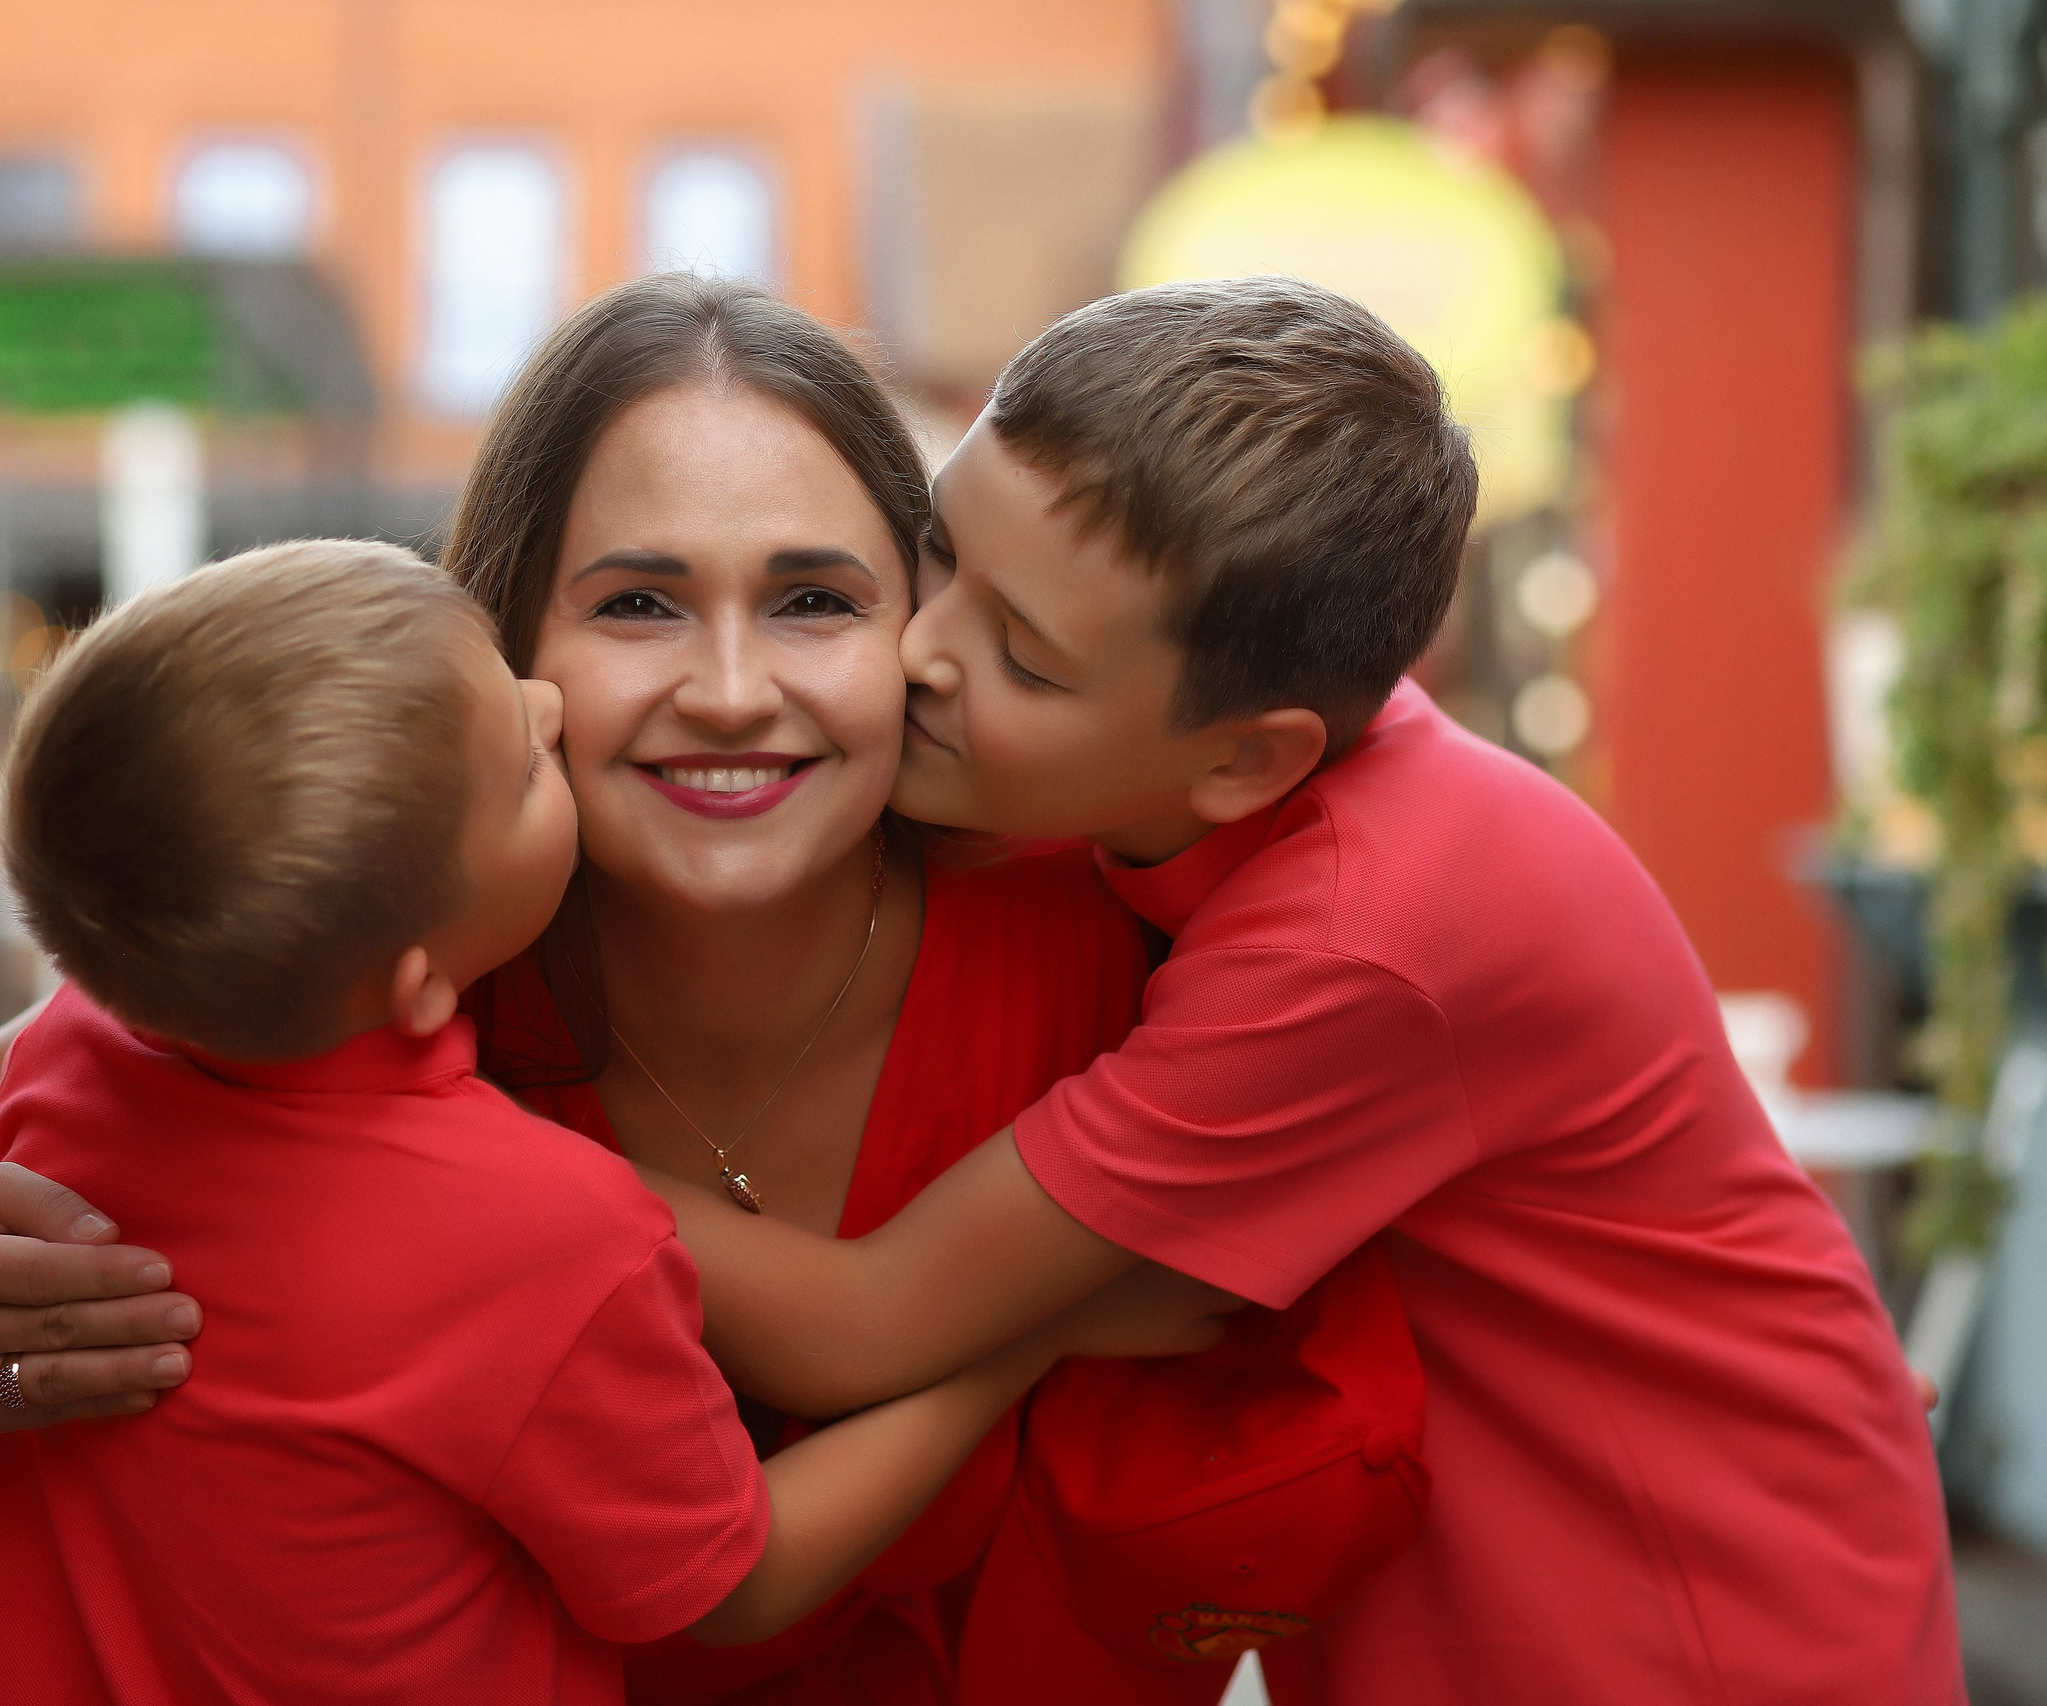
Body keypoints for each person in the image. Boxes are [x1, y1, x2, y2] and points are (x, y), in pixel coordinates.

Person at [0, 275, 1217, 1702]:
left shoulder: (1104, 924)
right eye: (638, 603)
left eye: (816, 599)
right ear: (508, 643)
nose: (734, 689)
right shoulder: (333, 960)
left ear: (924, 633)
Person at [641, 278, 1963, 1704]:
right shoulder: (1252, 762)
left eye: (1021, 654)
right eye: (935, 551)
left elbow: (866, 1323)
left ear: (1247, 759)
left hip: (1690, 1600)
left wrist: (465, 1163)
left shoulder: (1348, 944)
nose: (918, 647)